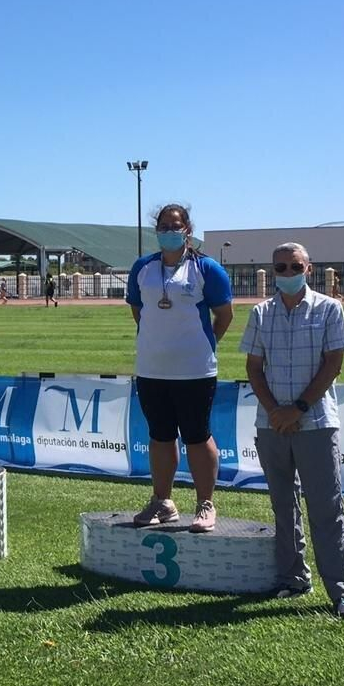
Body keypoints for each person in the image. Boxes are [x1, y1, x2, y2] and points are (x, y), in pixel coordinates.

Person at [239, 241, 344, 619]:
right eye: (280, 268)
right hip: (271, 424)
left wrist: (299, 409)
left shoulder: (329, 309)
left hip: (316, 423)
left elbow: (333, 364)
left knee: (326, 508)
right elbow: (254, 368)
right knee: (283, 507)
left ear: (308, 269)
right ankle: (293, 577)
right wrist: (276, 411)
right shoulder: (261, 313)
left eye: (295, 267)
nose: (287, 274)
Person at [125, 204, 233, 531]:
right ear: (156, 230)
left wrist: (204, 345)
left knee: (197, 436)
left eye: (176, 225)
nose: (169, 231)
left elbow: (224, 316)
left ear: (187, 229)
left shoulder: (207, 268)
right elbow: (138, 311)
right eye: (163, 225)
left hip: (195, 371)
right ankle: (163, 501)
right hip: (152, 369)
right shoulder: (143, 268)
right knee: (159, 437)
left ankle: (205, 504)